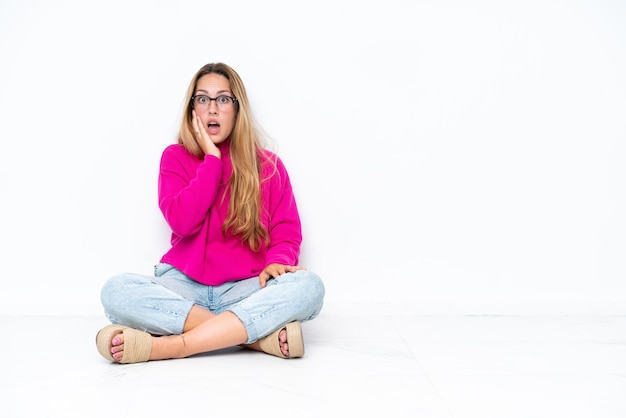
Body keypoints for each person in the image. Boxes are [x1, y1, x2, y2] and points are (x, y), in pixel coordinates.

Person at [96, 62, 325, 363]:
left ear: (237, 108)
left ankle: (173, 346)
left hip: (246, 287)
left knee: (310, 288)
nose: (212, 109)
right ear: (193, 110)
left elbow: (286, 233)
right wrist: (212, 160)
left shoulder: (268, 166)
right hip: (183, 287)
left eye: (223, 99)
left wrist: (278, 262)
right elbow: (182, 221)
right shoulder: (174, 158)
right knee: (117, 291)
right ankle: (253, 339)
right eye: (203, 99)